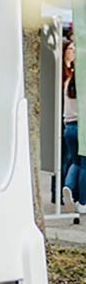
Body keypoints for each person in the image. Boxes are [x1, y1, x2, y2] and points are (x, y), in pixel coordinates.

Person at [62, 37, 84, 212]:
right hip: (81, 127)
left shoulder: (68, 82)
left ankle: (68, 187)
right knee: (85, 165)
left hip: (68, 127)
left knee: (75, 163)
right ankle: (83, 202)